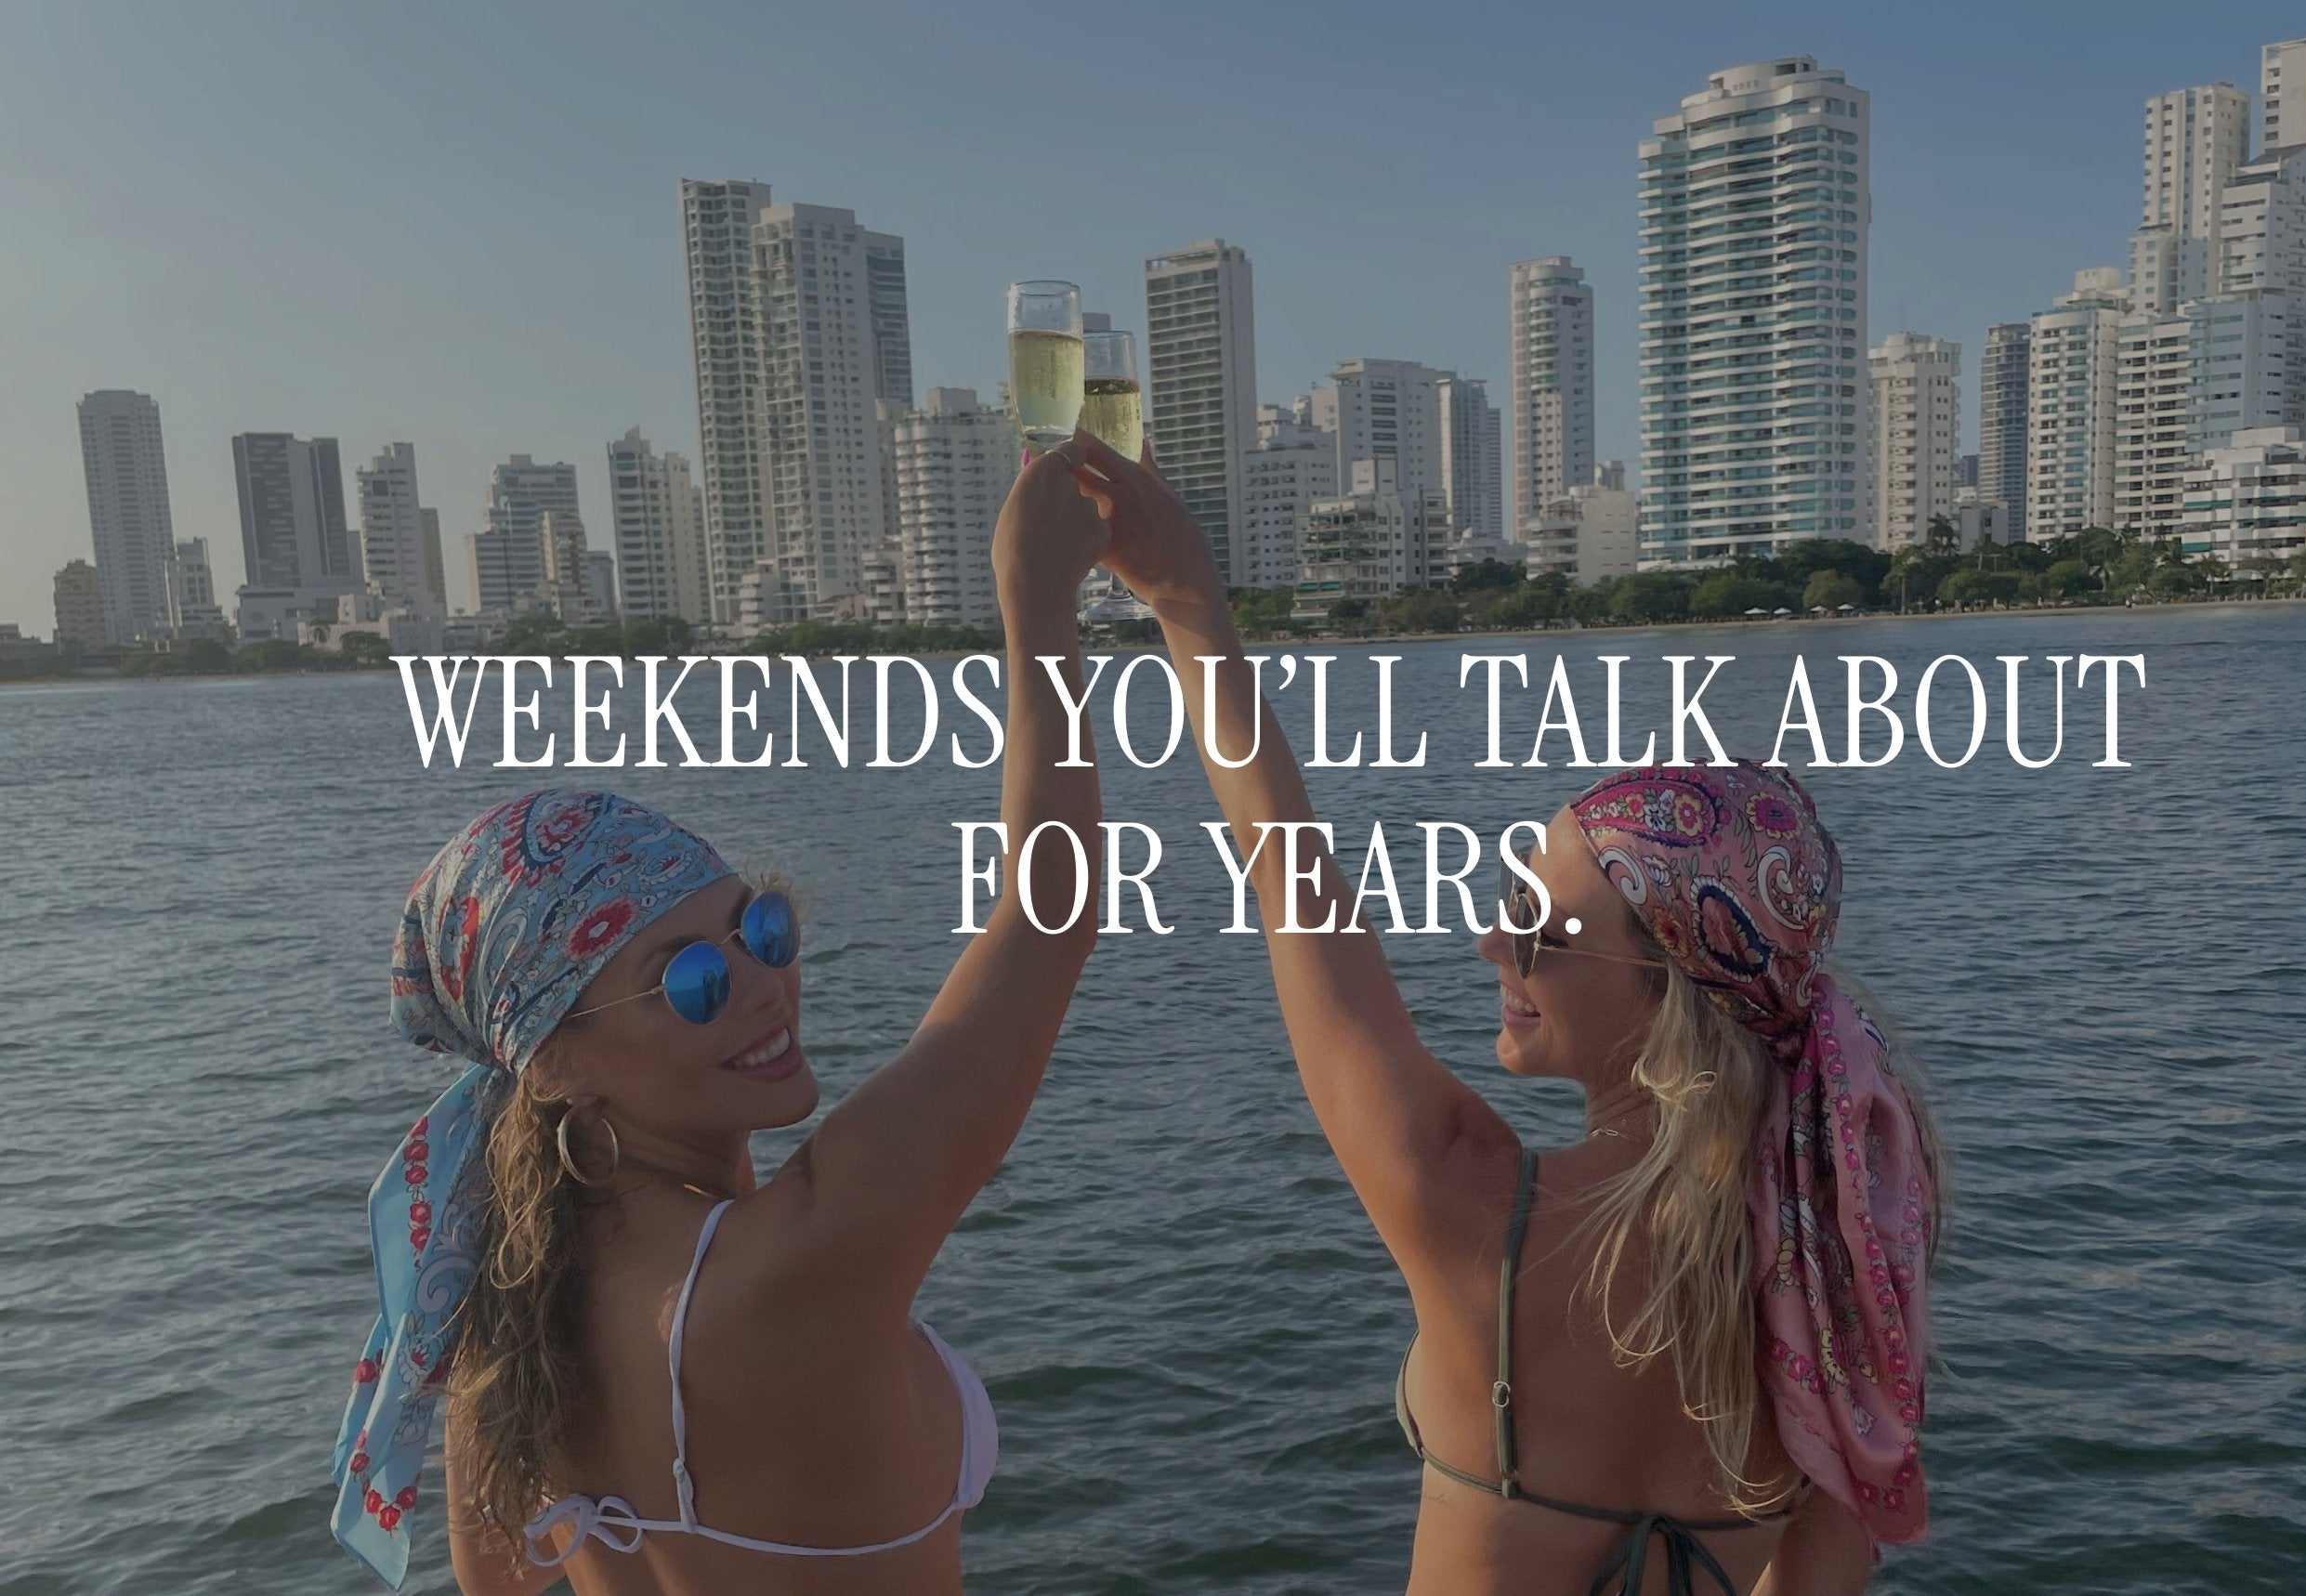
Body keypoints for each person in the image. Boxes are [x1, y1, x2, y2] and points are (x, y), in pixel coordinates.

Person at [1070, 435, 1942, 1596]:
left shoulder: (1475, 1202)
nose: (1494, 940)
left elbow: (1288, 879)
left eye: (1538, 922)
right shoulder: (1832, 1259)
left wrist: (1187, 605)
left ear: (1669, 993)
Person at [329, 439, 1114, 1594]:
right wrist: (1040, 602)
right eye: (689, 978)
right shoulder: (792, 1263)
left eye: (763, 928)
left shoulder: (506, 1302)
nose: (758, 981)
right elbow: (1050, 911)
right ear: (555, 1065)